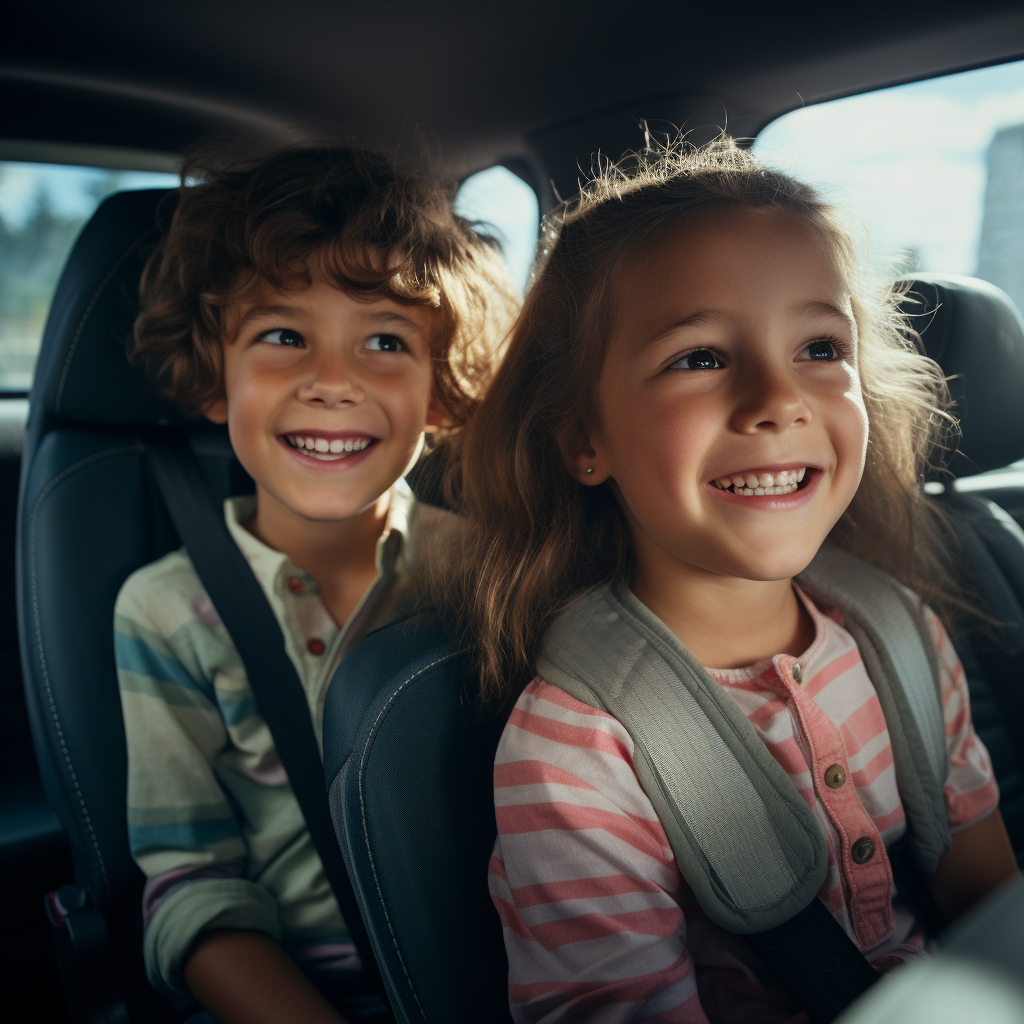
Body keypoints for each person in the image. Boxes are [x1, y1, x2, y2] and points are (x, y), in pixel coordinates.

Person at [440, 137, 1021, 1022]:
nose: (777, 399)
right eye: (701, 357)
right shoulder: (576, 751)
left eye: (820, 347)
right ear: (584, 441)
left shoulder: (897, 631)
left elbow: (987, 893)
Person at [115, 145, 519, 1024]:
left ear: (439, 390)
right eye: (282, 336)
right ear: (215, 377)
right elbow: (191, 889)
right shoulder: (166, 610)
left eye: (384, 340)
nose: (332, 381)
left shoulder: (493, 571)